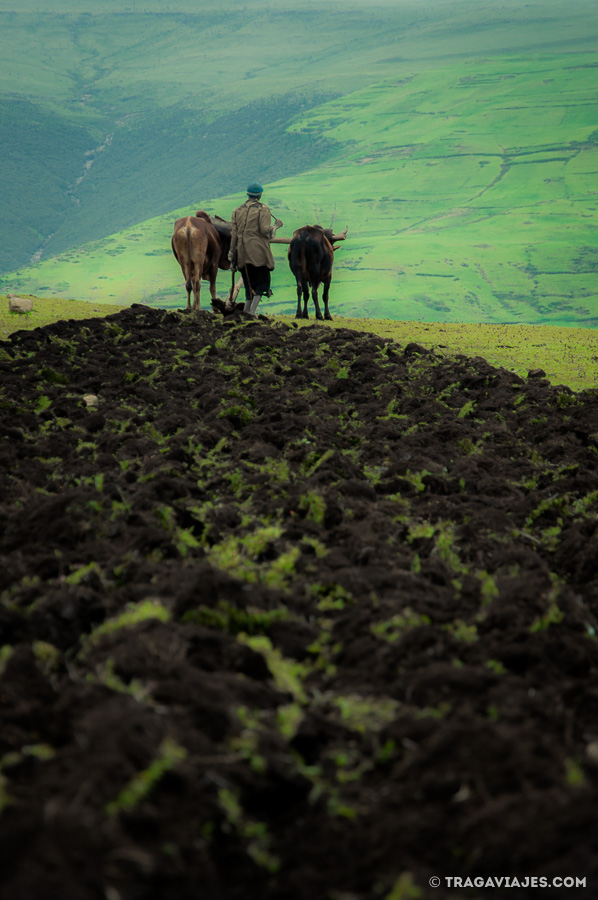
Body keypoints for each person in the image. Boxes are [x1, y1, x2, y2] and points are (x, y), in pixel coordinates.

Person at [228, 182, 283, 315]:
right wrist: (276, 226)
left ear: (248, 194)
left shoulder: (237, 210)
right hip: (258, 253)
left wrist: (232, 255)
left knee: (248, 282)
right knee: (262, 282)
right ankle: (252, 313)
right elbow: (265, 231)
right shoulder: (263, 209)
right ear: (260, 195)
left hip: (241, 253)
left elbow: (234, 235)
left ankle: (246, 311)